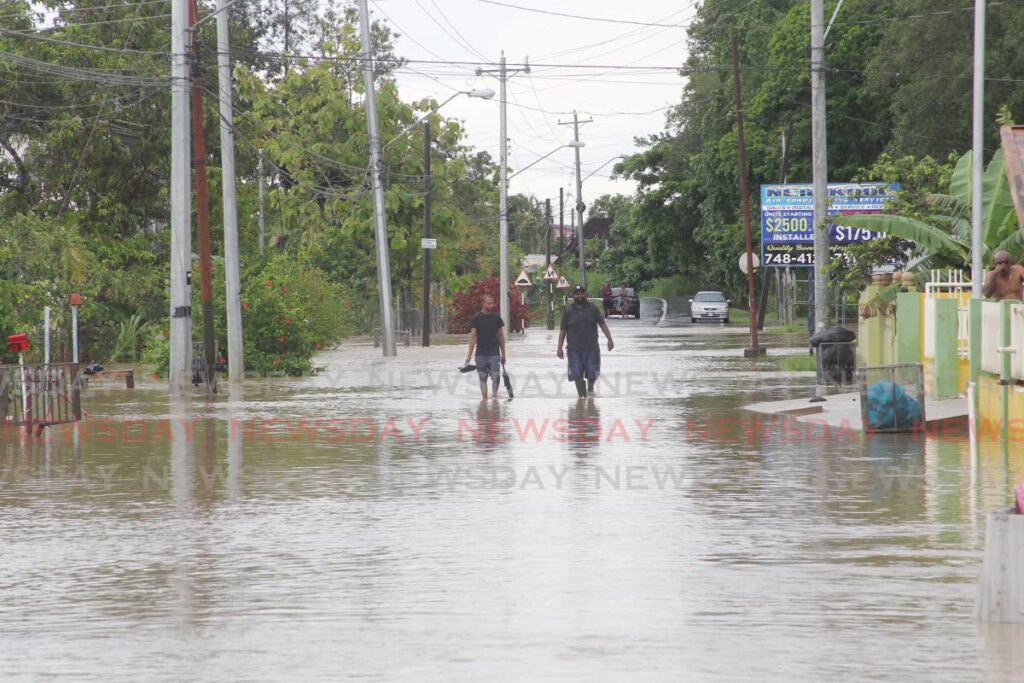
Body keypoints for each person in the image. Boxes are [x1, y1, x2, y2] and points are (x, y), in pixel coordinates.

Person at [556, 285, 614, 398]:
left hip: (592, 348)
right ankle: (582, 399)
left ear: (585, 295)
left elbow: (602, 324)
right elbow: (563, 330)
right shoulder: (568, 311)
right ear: (573, 296)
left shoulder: (592, 309)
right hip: (574, 349)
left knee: (592, 373)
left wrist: (610, 339)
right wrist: (559, 347)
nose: (580, 296)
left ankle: (590, 387)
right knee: (577, 373)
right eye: (577, 294)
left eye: (582, 293)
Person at [465, 294, 506, 399]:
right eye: (489, 303)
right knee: (482, 378)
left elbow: (501, 336)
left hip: (494, 353)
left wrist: (503, 354)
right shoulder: (477, 318)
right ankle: (484, 400)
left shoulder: (496, 318)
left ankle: (495, 397)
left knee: (496, 377)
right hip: (480, 354)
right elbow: (473, 337)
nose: (492, 305)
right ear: (483, 304)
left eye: (493, 303)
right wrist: (469, 356)